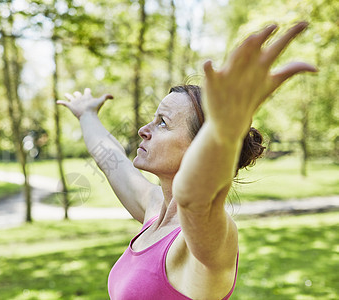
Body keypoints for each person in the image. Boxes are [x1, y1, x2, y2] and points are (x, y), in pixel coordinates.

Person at [57, 22, 316, 299]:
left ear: (198, 147)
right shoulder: (155, 209)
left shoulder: (208, 238)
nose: (144, 130)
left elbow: (195, 199)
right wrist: (87, 115)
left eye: (163, 123)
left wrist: (224, 130)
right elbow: (110, 160)